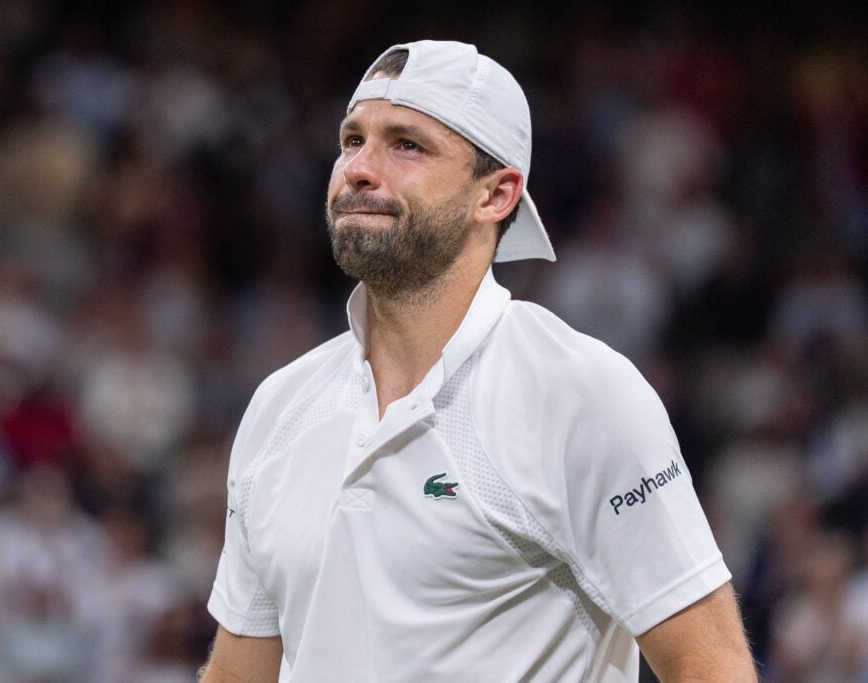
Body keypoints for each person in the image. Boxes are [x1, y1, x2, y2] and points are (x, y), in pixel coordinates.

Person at [201, 40, 755, 682]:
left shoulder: (581, 394)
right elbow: (237, 674)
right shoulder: (279, 407)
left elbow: (711, 666)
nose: (359, 168)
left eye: (407, 145)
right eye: (352, 140)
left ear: (496, 194)